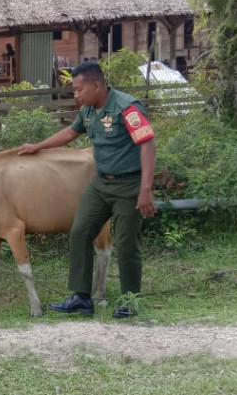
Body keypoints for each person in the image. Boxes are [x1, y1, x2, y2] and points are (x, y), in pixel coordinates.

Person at [18, 61, 156, 318]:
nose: (76, 94)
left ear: (96, 85)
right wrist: (38, 146)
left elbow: (147, 144)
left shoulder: (127, 108)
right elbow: (71, 133)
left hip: (130, 184)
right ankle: (82, 297)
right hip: (101, 182)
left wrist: (146, 188)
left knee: (126, 243)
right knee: (80, 230)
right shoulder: (88, 111)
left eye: (79, 89)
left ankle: (129, 300)